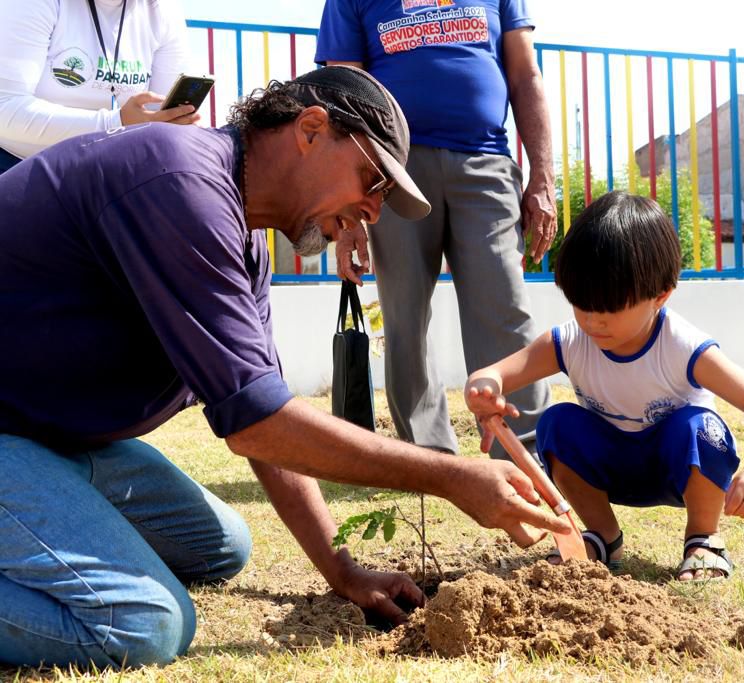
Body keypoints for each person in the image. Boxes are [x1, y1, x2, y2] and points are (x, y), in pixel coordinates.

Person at [0, 65, 570, 670]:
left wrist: (341, 567)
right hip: (14, 435)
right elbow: (259, 425)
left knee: (221, 546)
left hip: (46, 438)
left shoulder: (242, 234)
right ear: (311, 129)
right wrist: (452, 477)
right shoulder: (177, 179)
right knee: (144, 623)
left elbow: (264, 409)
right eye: (372, 181)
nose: (373, 214)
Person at [465, 191, 744, 580]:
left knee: (703, 430)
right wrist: (483, 389)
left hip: (678, 468)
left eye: (611, 309)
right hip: (611, 466)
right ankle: (601, 537)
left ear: (660, 296)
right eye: (582, 305)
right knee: (557, 422)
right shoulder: (569, 342)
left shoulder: (682, 346)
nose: (594, 322)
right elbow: (495, 374)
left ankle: (703, 539)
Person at [315, 0, 556, 460]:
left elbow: (526, 76)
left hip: (486, 161)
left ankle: (526, 451)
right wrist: (348, 211)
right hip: (392, 170)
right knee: (405, 317)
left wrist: (543, 177)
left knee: (502, 306)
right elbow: (341, 95)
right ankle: (427, 457)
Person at [0, 0, 199, 174]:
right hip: (17, 165)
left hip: (108, 170)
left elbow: (161, 117)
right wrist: (115, 124)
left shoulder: (163, 9)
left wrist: (177, 120)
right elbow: (5, 107)